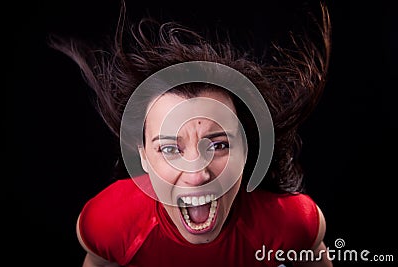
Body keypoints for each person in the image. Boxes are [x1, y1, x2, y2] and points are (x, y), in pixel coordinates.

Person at [49, 1, 333, 266]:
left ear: (246, 151)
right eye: (170, 149)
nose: (197, 174)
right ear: (144, 159)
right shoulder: (109, 223)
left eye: (219, 145)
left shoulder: (293, 225)